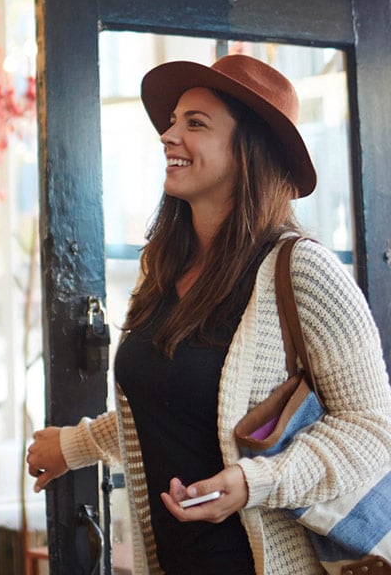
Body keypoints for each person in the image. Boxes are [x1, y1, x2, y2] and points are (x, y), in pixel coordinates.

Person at [25, 53, 391, 575]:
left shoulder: (303, 269)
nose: (168, 136)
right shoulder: (163, 270)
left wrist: (253, 482)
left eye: (195, 123)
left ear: (250, 151)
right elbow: (167, 409)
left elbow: (374, 431)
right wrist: (74, 445)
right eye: (173, 121)